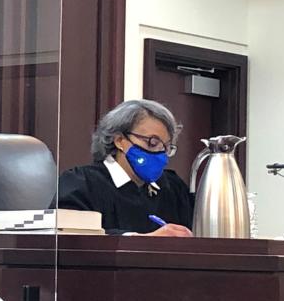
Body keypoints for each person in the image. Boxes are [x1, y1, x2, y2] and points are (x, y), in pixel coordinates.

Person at [58, 99, 194, 236]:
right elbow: (68, 238)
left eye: (166, 147)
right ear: (120, 141)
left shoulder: (173, 187)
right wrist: (142, 242)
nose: (160, 154)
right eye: (152, 143)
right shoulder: (81, 183)